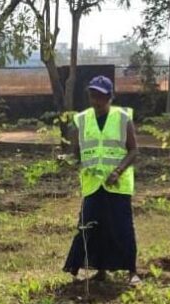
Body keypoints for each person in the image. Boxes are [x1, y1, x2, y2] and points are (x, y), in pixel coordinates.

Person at [63, 75, 141, 286]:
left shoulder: (123, 118)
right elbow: (77, 150)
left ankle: (132, 271)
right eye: (92, 95)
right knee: (90, 226)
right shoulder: (82, 119)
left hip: (118, 184)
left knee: (122, 227)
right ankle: (100, 270)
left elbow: (133, 150)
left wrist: (118, 171)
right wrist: (72, 160)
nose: (96, 100)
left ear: (110, 97)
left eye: (100, 96)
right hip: (93, 183)